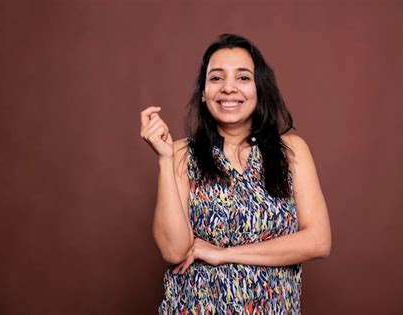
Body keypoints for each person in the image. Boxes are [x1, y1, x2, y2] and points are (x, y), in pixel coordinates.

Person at [140, 33, 331, 314]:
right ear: (203, 93)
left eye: (242, 78)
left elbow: (318, 240)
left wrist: (223, 254)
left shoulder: (291, 150)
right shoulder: (181, 153)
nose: (229, 88)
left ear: (260, 89)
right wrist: (164, 159)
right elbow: (174, 251)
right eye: (216, 78)